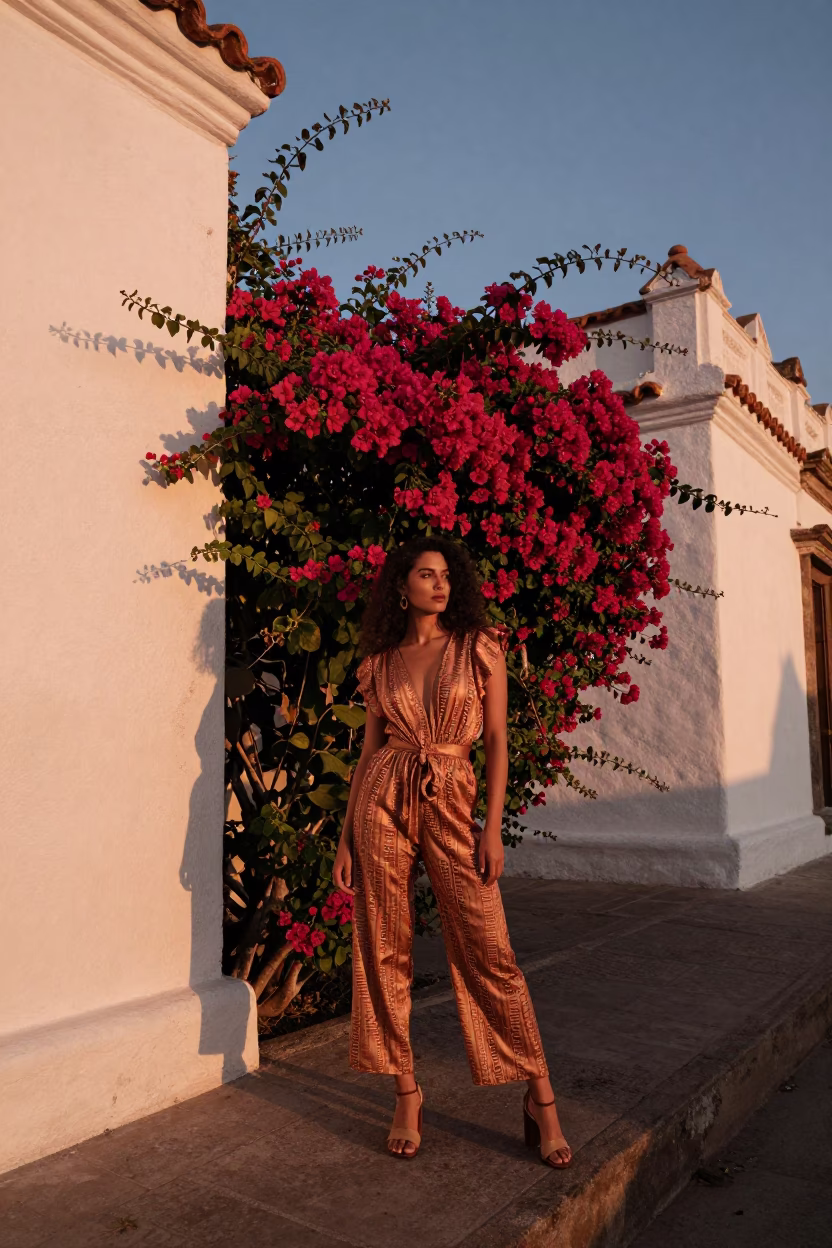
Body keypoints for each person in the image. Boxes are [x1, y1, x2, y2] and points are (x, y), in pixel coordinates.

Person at [332, 535, 572, 1167]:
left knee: (488, 947)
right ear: (401, 586)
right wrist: (346, 835)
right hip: (383, 796)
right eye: (424, 574)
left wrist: (491, 827)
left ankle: (539, 1097)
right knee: (382, 943)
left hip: (452, 799)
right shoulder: (381, 662)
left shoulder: (478, 648)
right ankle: (406, 1092)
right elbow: (367, 754)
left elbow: (496, 740)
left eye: (445, 575)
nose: (438, 584)